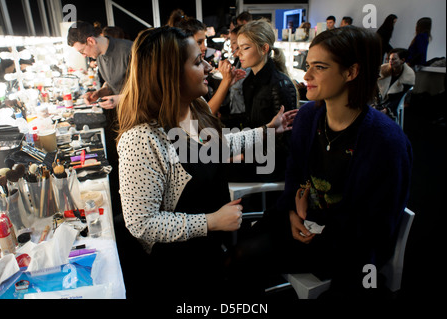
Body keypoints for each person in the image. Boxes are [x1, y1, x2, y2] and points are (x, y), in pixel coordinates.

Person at [231, 26, 413, 299]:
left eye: (320, 67)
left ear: (351, 72)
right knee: (237, 257)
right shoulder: (307, 119)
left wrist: (319, 230)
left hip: (347, 243)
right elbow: (294, 175)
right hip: (305, 222)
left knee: (245, 259)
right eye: (308, 65)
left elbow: (376, 225)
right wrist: (293, 210)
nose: (306, 76)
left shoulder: (386, 142)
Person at [116, 26, 296, 299]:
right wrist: (211, 221)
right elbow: (142, 224)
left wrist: (268, 130)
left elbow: (217, 148)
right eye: (198, 61)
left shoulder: (196, 107)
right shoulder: (142, 140)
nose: (208, 66)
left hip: (210, 247)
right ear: (171, 74)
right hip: (179, 266)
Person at [67, 21, 133, 217]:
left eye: (82, 51)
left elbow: (149, 90)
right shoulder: (100, 56)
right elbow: (112, 84)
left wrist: (119, 99)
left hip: (140, 116)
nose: (83, 56)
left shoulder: (129, 50)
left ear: (90, 40)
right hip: (122, 116)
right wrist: (100, 92)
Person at [232, 18, 298, 183]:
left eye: (245, 48)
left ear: (264, 48)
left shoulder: (279, 85)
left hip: (273, 162)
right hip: (256, 152)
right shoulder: (248, 82)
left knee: (212, 166)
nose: (238, 54)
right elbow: (250, 124)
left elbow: (284, 142)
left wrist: (244, 155)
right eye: (238, 48)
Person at [175, 15, 246, 114]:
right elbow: (203, 116)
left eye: (204, 41)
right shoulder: (182, 77)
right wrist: (225, 82)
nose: (204, 47)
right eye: (199, 42)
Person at [376, 48, 415, 118]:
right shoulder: (383, 70)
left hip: (393, 104)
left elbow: (399, 98)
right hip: (379, 100)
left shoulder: (408, 76)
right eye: (389, 59)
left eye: (394, 59)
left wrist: (386, 109)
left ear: (402, 60)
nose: (390, 61)